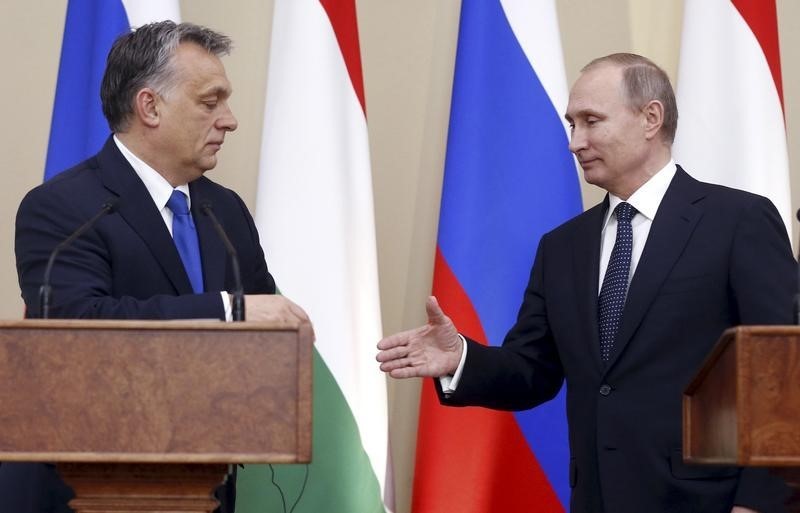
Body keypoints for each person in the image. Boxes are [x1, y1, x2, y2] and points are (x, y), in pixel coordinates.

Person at [377, 53, 794, 513]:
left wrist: (760, 504)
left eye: (591, 121)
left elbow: (780, 376)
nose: (576, 142)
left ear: (650, 118)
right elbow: (531, 372)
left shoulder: (737, 221)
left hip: (708, 502)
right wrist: (461, 359)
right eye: (571, 124)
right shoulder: (562, 247)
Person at [10, 21, 309, 513]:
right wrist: (225, 311)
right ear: (150, 106)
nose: (229, 120)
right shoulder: (63, 207)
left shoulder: (225, 210)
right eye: (210, 103)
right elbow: (76, 327)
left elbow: (264, 324)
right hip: (85, 486)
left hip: (202, 485)